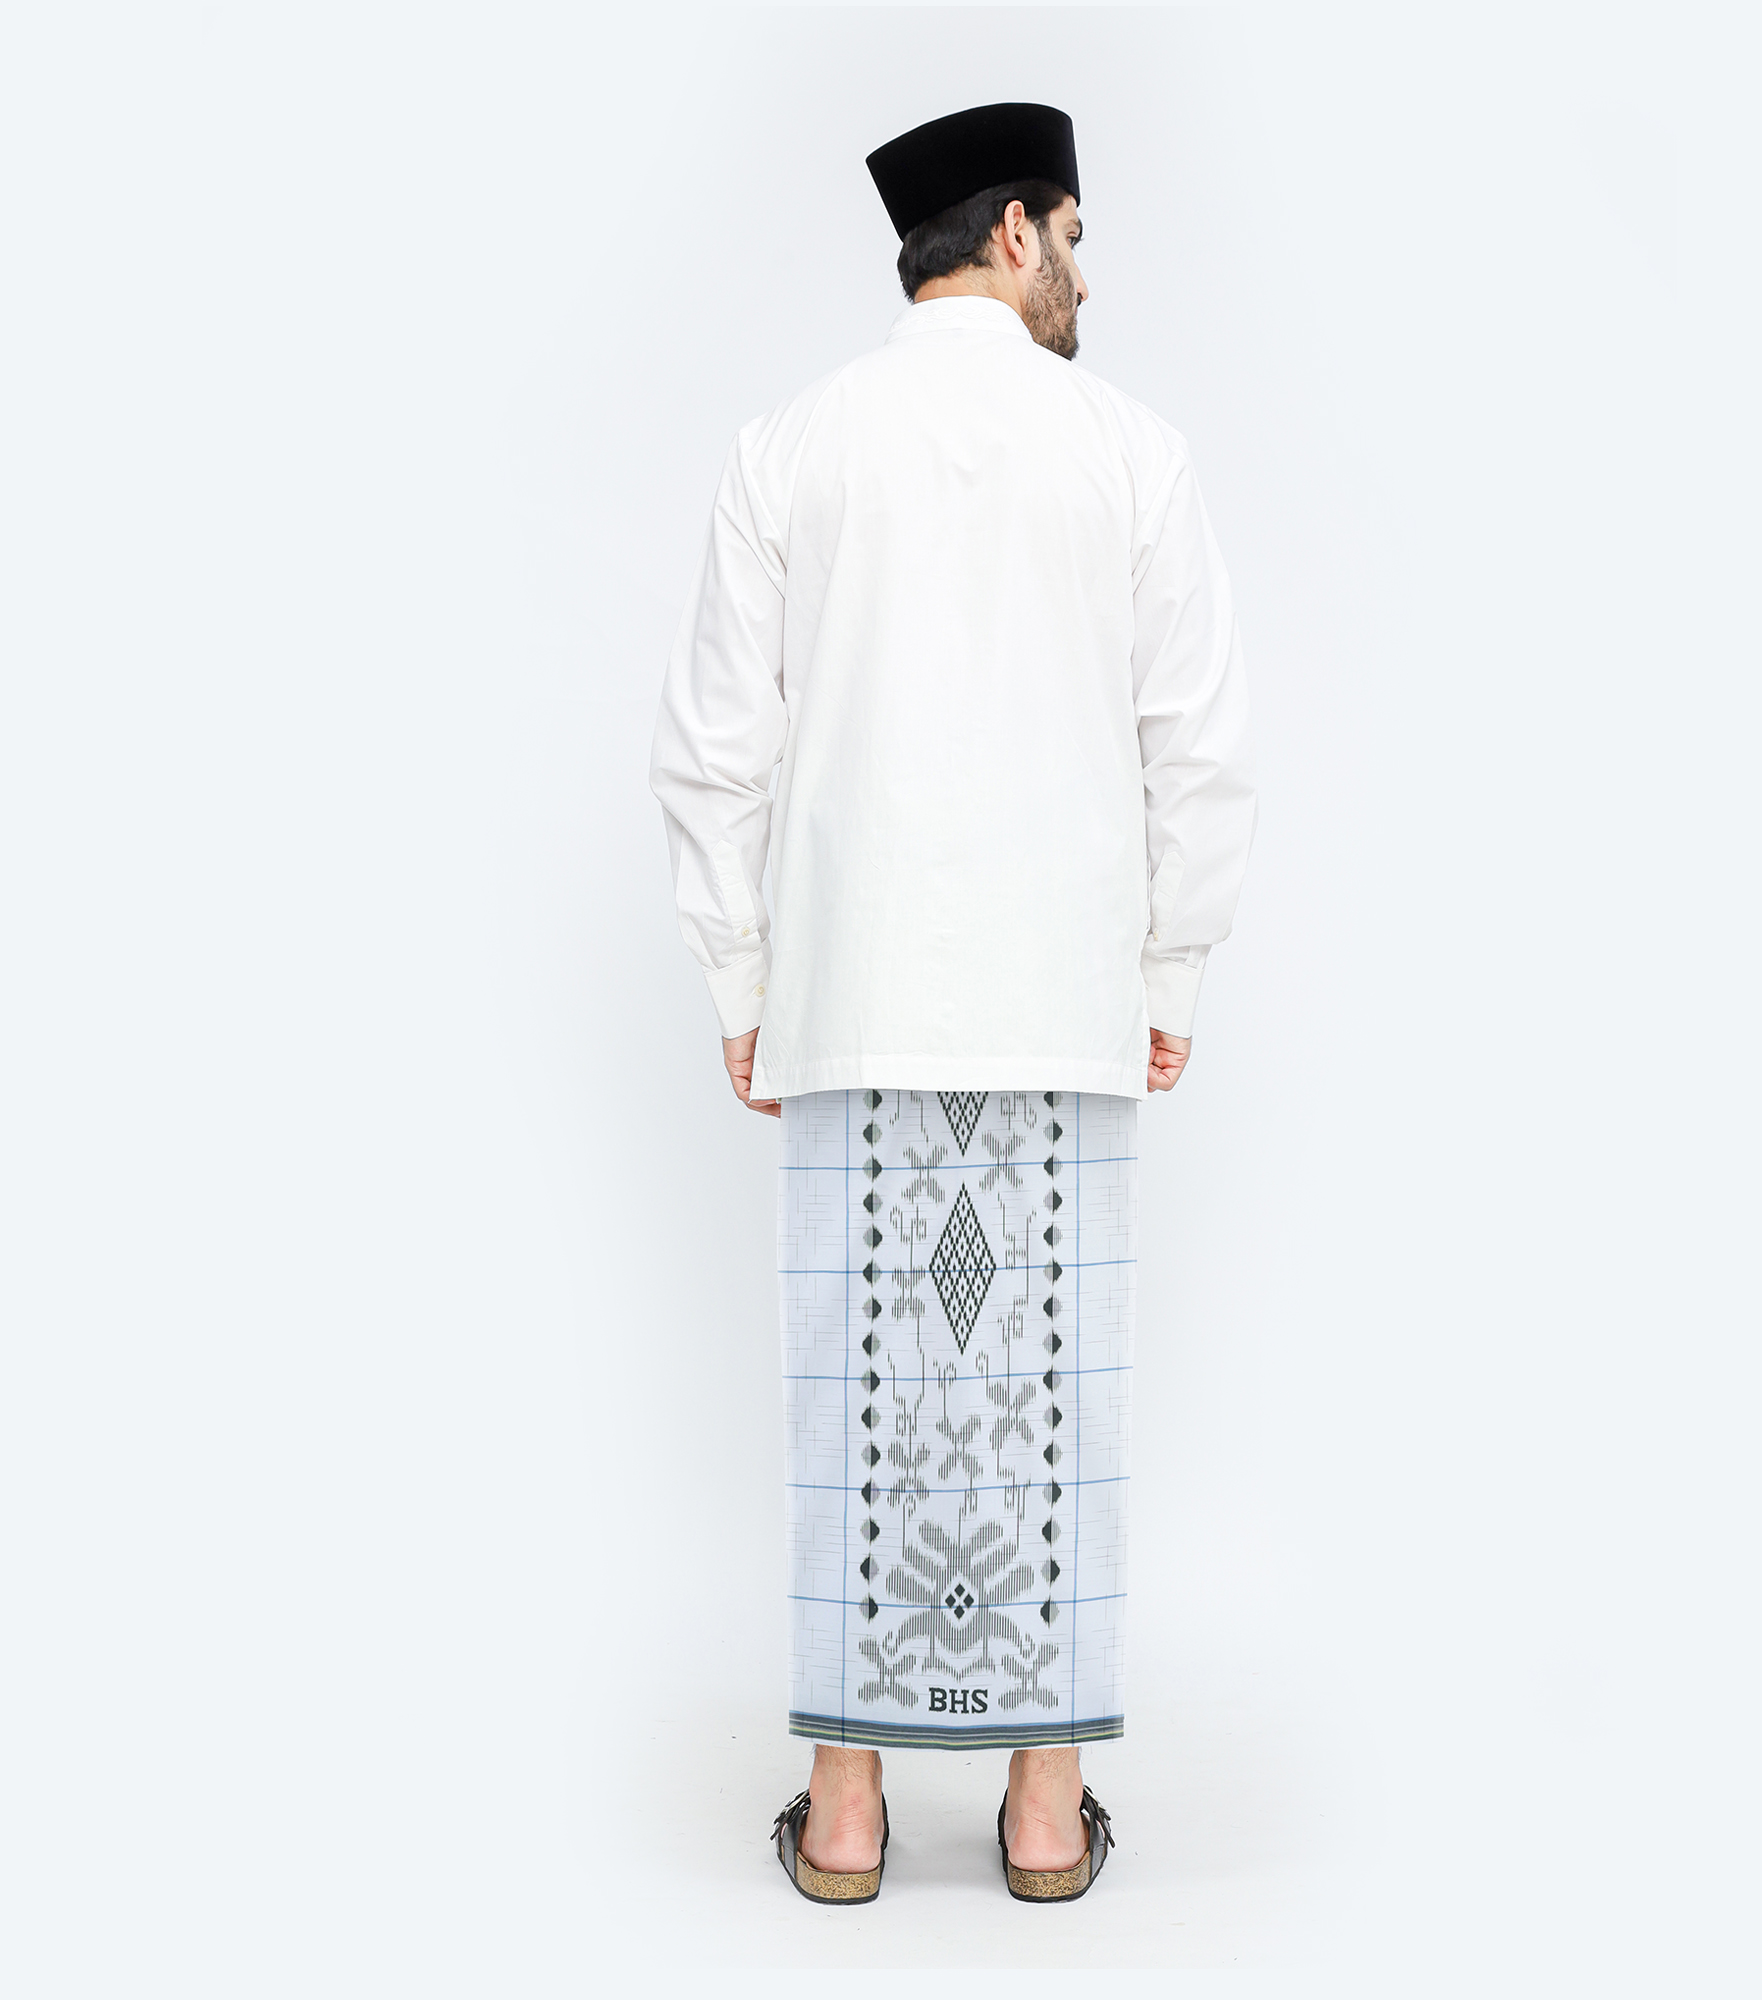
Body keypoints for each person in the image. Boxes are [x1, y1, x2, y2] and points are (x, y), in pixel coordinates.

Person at [649, 101, 1254, 1904]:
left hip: (855, 989)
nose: (1083, 276)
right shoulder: (1131, 451)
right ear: (1011, 230)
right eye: (1072, 237)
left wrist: (742, 976)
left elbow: (714, 746)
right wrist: (1173, 962)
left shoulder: (792, 445)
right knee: (1052, 1391)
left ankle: (846, 1815)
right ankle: (1044, 1814)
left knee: (861, 1398)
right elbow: (1198, 746)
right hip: (1060, 996)